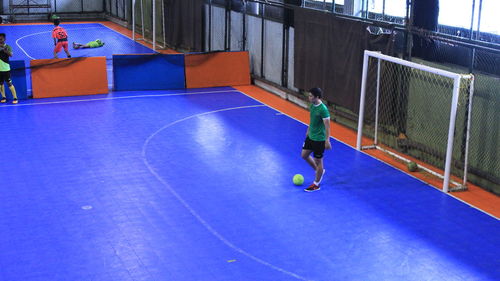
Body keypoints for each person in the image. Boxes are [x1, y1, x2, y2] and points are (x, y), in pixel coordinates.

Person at [301, 87, 331, 192]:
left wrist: (327, 140)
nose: (309, 97)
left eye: (311, 96)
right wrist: (309, 129)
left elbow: (327, 126)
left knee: (319, 161)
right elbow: (312, 119)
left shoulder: (323, 109)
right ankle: (319, 171)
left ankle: (316, 184)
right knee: (304, 155)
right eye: (309, 95)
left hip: (319, 139)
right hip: (311, 136)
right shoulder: (313, 105)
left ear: (317, 97)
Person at [0, 33, 18, 104]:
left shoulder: (7, 47)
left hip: (6, 69)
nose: (0, 40)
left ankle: (15, 98)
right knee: (1, 84)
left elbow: (11, 55)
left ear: (4, 39)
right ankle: (3, 97)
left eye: (1, 39)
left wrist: (5, 51)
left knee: (9, 84)